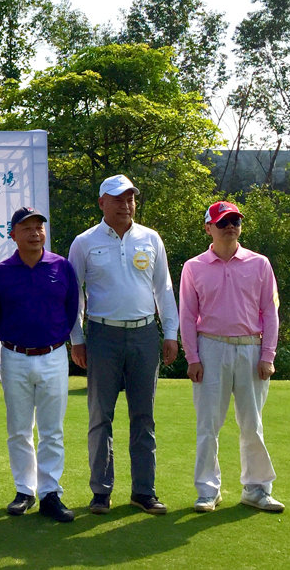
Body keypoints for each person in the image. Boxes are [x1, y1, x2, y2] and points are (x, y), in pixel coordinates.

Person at [68, 174, 178, 515]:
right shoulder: (84, 242)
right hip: (103, 336)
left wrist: (170, 332)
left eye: (130, 198)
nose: (126, 205)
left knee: (144, 416)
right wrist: (77, 339)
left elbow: (163, 288)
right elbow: (74, 296)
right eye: (118, 199)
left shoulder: (151, 238)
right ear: (102, 202)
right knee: (100, 415)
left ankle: (144, 491)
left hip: (144, 334)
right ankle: (101, 491)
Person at [179, 201, 284, 513]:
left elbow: (270, 312)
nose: (230, 227)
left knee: (252, 424)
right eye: (223, 222)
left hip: (251, 349)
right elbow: (187, 316)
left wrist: (268, 354)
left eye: (235, 221)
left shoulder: (260, 264)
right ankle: (207, 490)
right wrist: (192, 357)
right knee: (208, 425)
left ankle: (257, 488)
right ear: (208, 228)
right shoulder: (193, 267)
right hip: (210, 349)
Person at [0, 207, 79, 522]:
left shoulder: (62, 266)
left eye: (39, 227)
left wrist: (56, 340)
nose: (35, 233)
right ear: (13, 234)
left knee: (52, 431)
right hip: (15, 357)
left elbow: (71, 309)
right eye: (27, 228)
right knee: (19, 429)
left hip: (54, 356)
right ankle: (24, 491)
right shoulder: (0, 273)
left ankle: (50, 493)